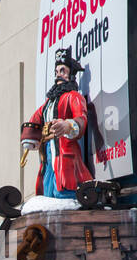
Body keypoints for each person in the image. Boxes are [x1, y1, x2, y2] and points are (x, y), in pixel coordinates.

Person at [21, 48, 94, 199]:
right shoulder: (48, 103)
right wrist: (30, 137)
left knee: (64, 183)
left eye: (63, 70)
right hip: (47, 149)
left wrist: (68, 125)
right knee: (47, 180)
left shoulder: (74, 97)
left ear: (71, 74)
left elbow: (81, 118)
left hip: (65, 149)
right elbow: (35, 119)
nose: (58, 75)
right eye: (56, 71)